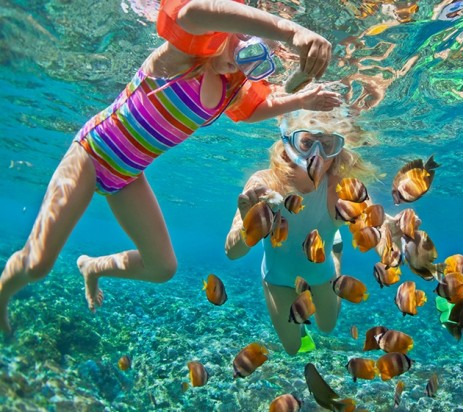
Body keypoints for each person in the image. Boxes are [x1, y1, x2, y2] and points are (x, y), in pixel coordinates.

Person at [0, 0, 343, 335]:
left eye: (254, 62)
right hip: (91, 153)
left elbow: (255, 109)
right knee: (38, 263)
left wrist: (301, 100)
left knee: (162, 267)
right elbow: (193, 12)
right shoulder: (183, 57)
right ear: (232, 27)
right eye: (241, 42)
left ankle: (92, 267)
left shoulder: (229, 88)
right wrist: (290, 31)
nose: (239, 62)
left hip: (128, 176)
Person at [224, 109, 375, 355]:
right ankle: (300, 313)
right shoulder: (264, 183)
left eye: (327, 145)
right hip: (277, 277)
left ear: (338, 151)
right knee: (294, 348)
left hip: (321, 271)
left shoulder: (340, 187)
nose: (316, 154)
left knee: (327, 327)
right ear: (289, 142)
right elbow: (232, 252)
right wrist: (247, 225)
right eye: (306, 143)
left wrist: (394, 231)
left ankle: (336, 257)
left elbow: (373, 222)